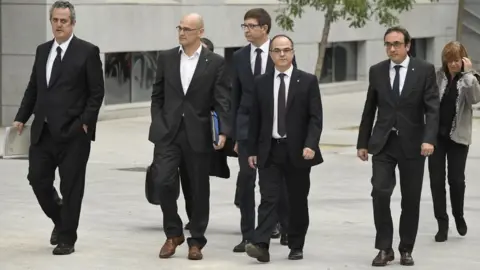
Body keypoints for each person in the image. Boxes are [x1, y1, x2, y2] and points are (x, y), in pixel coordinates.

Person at [13, 0, 104, 255]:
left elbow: (96, 93)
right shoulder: (43, 51)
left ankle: (67, 239)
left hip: (74, 133)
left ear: (72, 23)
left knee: (71, 187)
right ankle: (60, 218)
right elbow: (34, 87)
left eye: (64, 20)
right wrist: (22, 116)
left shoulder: (87, 51)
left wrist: (85, 123)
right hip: (43, 131)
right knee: (37, 179)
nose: (59, 25)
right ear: (50, 22)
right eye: (55, 20)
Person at [149, 13, 231, 260]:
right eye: (180, 28)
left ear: (200, 32)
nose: (182, 32)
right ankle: (173, 233)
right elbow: (157, 95)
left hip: (199, 134)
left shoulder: (215, 62)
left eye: (187, 29)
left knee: (197, 190)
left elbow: (222, 100)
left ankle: (196, 240)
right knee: (162, 181)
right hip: (168, 133)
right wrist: (159, 121)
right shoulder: (166, 58)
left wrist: (224, 130)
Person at [356, 26, 439, 266]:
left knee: (410, 199)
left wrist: (429, 138)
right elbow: (369, 108)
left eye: (396, 44)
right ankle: (384, 248)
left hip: (414, 145)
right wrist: (363, 142)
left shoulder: (424, 70)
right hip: (383, 143)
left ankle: (405, 248)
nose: (392, 49)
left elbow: (432, 108)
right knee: (380, 192)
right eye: (388, 44)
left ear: (407, 45)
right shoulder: (377, 71)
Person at [245, 34, 323, 262]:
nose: (282, 54)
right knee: (268, 198)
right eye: (277, 50)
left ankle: (296, 244)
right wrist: (251, 150)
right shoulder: (261, 82)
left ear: (293, 52)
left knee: (297, 199)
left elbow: (315, 118)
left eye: (286, 50)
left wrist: (310, 144)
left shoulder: (307, 81)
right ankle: (261, 244)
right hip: (270, 149)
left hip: (298, 151)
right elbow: (255, 120)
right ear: (270, 54)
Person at [230, 8, 291, 252]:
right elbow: (235, 97)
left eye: (251, 26)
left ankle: (284, 227)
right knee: (246, 180)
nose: (247, 30)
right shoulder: (239, 57)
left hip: (273, 129)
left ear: (265, 28)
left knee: (278, 182)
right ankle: (248, 234)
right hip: (246, 128)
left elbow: (289, 92)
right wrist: (235, 134)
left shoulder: (280, 52)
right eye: (244, 26)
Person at [177, 37, 231, 231]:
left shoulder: (217, 68)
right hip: (180, 132)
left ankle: (199, 221)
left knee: (199, 179)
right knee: (186, 178)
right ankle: (192, 216)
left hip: (206, 131)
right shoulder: (179, 66)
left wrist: (223, 131)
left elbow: (222, 99)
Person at [428, 41, 480, 242]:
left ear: (463, 60)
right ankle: (442, 222)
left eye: (456, 61)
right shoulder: (437, 76)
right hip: (436, 138)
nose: (453, 65)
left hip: (458, 138)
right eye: (449, 61)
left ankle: (459, 215)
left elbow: (475, 99)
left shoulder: (471, 78)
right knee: (436, 181)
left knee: (456, 180)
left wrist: (467, 74)